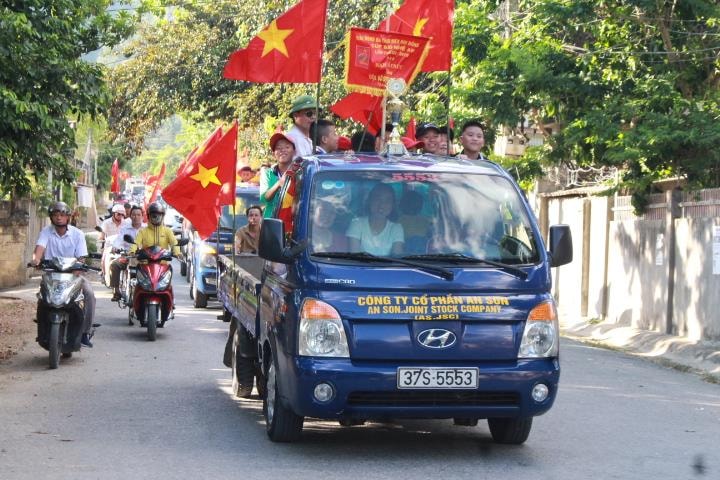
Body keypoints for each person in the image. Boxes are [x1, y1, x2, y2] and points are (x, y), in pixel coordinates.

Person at [31, 201, 96, 348]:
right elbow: (39, 249)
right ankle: (42, 327)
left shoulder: (77, 234)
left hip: (73, 275)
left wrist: (77, 269)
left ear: (68, 217)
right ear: (51, 217)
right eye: (55, 215)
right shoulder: (46, 232)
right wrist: (35, 260)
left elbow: (81, 258)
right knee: (42, 297)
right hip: (52, 275)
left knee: (89, 294)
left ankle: (84, 333)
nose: (58, 218)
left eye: (62, 215)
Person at [347, 183, 404, 256]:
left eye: (387, 201)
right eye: (377, 199)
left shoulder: (396, 228)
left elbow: (397, 258)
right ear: (370, 201)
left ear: (393, 205)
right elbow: (354, 257)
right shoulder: (357, 223)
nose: (382, 205)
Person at [109, 205, 145, 301]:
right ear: (130, 216)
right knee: (114, 265)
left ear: (142, 216)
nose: (136, 217)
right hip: (128, 256)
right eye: (133, 214)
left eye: (138, 215)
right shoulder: (125, 228)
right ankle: (116, 291)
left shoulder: (147, 229)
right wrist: (115, 247)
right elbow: (119, 240)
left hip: (143, 258)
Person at [260, 132, 296, 218]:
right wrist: (279, 183)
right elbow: (264, 198)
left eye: (287, 147)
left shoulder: (300, 172)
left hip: (293, 222)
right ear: (274, 154)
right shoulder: (267, 173)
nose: (282, 150)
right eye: (278, 148)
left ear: (294, 151)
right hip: (271, 223)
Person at [99, 203, 126, 283]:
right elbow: (101, 236)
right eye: (118, 214)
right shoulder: (106, 223)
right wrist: (102, 238)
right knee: (103, 259)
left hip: (122, 247)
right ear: (113, 214)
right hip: (109, 247)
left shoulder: (126, 224)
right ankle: (104, 274)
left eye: (122, 214)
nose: (120, 216)